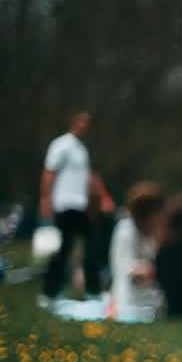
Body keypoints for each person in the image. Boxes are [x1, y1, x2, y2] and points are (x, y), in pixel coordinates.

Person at [39, 110, 115, 305]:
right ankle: (49, 292)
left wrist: (103, 197)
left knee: (91, 245)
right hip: (65, 204)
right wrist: (45, 199)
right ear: (73, 122)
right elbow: (49, 172)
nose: (85, 126)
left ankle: (93, 291)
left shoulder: (82, 150)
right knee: (64, 248)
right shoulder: (61, 145)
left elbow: (89, 178)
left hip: (81, 205)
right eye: (81, 122)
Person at [109, 182, 167, 321]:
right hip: (130, 302)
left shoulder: (154, 235)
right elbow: (131, 271)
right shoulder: (125, 231)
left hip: (152, 301)